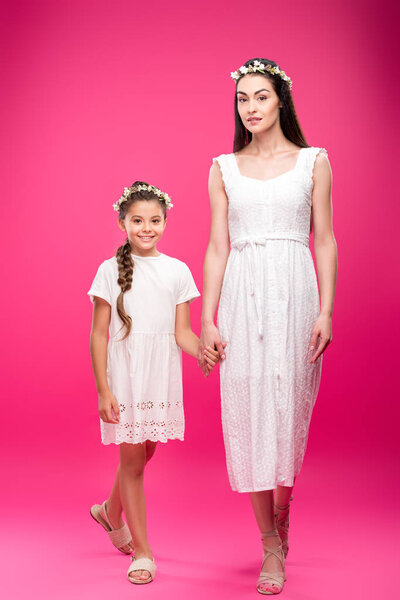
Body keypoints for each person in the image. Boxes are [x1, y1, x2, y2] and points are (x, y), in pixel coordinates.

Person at [198, 58, 337, 595]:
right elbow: (217, 247)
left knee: (287, 408)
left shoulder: (314, 162)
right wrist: (207, 318)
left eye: (260, 97)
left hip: (296, 294)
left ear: (281, 100)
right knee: (249, 409)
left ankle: (283, 504)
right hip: (242, 296)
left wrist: (326, 309)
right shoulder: (223, 167)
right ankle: (270, 545)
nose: (250, 108)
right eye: (242, 99)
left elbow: (324, 237)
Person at [87, 181, 220, 585]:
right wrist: (103, 390)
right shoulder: (109, 271)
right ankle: (142, 551)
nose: (147, 228)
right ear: (123, 222)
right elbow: (98, 334)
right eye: (138, 221)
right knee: (133, 464)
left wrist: (204, 351)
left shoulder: (177, 270)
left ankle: (110, 510)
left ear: (165, 221)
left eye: (155, 220)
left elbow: (181, 332)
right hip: (126, 376)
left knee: (146, 450)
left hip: (160, 377)